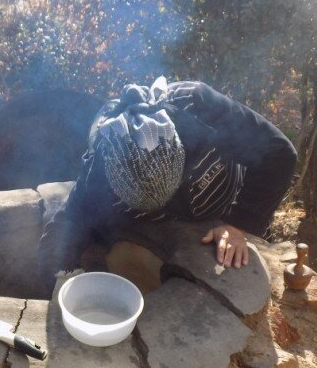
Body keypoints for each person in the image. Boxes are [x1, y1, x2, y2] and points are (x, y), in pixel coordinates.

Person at [38, 78, 297, 291]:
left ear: (179, 152)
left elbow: (279, 154)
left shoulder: (199, 107)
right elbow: (69, 222)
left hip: (227, 205)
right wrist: (59, 278)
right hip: (164, 231)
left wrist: (238, 224)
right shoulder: (100, 168)